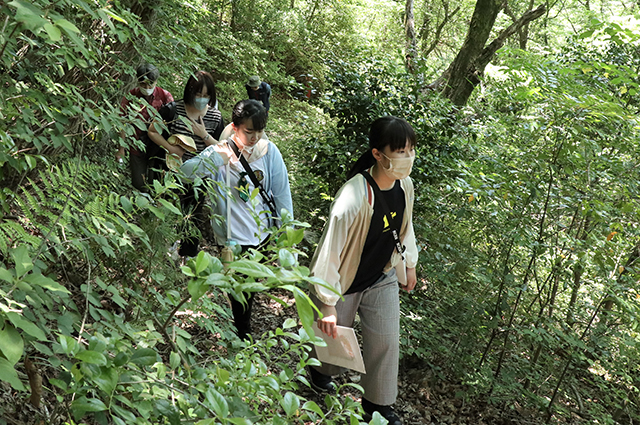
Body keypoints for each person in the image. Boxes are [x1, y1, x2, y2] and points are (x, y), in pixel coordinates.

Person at [307, 116, 419, 425]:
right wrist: (327, 302)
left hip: (381, 275)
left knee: (385, 340)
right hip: (345, 280)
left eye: (410, 149)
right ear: (377, 154)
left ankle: (377, 405)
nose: (406, 158)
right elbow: (329, 251)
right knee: (333, 342)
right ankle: (318, 372)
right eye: (399, 150)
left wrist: (408, 264)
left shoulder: (405, 185)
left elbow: (405, 229)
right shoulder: (353, 198)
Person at [181, 99, 293, 339]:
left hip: (262, 234)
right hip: (231, 238)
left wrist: (287, 234)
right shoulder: (220, 151)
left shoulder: (269, 151)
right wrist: (214, 160)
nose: (255, 137)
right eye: (249, 131)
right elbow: (186, 173)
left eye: (260, 131)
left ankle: (242, 331)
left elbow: (282, 193)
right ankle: (243, 333)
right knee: (239, 289)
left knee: (248, 288)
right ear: (235, 126)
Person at [148, 70, 225, 256]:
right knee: (165, 210)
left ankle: (187, 256)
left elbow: (223, 147)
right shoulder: (174, 109)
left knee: (193, 216)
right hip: (171, 171)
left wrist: (203, 135)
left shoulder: (215, 117)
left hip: (200, 175)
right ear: (190, 91)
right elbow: (152, 130)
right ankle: (157, 251)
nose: (202, 99)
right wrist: (169, 147)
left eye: (206, 96)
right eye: (198, 94)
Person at [116, 63, 174, 191]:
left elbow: (173, 122)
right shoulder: (131, 96)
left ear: (156, 82)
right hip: (136, 144)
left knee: (156, 182)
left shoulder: (165, 97)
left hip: (158, 147)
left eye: (150, 84)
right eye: (143, 84)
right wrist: (121, 148)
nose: (147, 87)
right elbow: (122, 122)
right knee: (138, 182)